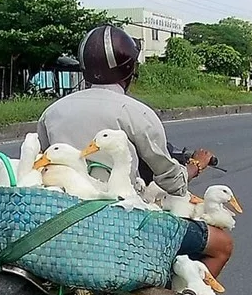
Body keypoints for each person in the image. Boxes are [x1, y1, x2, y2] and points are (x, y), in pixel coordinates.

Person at [37, 25, 233, 277]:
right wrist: (195, 165)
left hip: (61, 219)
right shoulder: (136, 112)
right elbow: (173, 183)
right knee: (222, 245)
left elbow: (43, 162)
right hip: (120, 220)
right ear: (129, 68)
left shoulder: (52, 112)